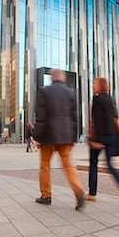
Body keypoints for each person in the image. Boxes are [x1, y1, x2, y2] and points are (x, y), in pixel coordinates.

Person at [33, 69, 85, 210]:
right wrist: (74, 138)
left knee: (45, 166)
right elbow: (75, 118)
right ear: (62, 78)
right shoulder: (70, 92)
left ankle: (46, 196)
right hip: (65, 136)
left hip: (48, 136)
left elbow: (41, 116)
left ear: (52, 78)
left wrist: (37, 137)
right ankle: (79, 191)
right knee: (68, 166)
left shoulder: (44, 91)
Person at [87, 77, 119, 205]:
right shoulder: (110, 99)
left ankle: (92, 193)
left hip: (101, 136)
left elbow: (95, 121)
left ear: (100, 86)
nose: (93, 85)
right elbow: (115, 118)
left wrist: (95, 140)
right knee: (109, 165)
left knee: (93, 163)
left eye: (95, 83)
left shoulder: (97, 100)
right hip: (113, 136)